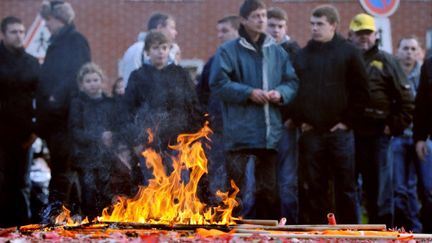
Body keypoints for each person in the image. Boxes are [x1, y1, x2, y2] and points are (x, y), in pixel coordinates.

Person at [209, 0, 299, 219]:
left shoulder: (277, 52)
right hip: (239, 133)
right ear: (244, 20)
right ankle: (230, 232)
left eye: (264, 15)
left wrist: (281, 94)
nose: (262, 20)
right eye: (256, 16)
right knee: (234, 192)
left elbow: (292, 82)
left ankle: (266, 235)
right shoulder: (228, 51)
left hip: (268, 134)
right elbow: (218, 84)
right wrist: (248, 93)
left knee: (269, 192)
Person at [292, 5, 369, 224]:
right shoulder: (303, 55)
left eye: (320, 24)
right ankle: (318, 232)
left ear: (333, 25)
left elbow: (362, 91)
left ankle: (350, 232)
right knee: (314, 186)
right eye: (312, 24)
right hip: (312, 133)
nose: (314, 28)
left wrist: (347, 122)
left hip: (340, 133)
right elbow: (294, 89)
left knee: (346, 186)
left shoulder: (349, 52)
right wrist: (300, 120)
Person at [348, 14, 414, 228]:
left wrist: (392, 126)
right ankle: (352, 232)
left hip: (379, 136)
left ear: (375, 34)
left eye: (367, 33)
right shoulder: (345, 60)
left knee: (381, 191)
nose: (363, 38)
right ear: (351, 36)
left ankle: (383, 231)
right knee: (350, 188)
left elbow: (407, 100)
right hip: (349, 134)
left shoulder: (387, 61)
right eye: (359, 34)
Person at [123, 30, 203, 182]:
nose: (160, 52)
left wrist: (192, 137)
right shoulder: (138, 76)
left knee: (180, 186)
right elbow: (128, 110)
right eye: (155, 48)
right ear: (147, 51)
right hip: (149, 144)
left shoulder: (180, 74)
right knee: (154, 188)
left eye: (164, 48)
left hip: (178, 141)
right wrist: (135, 141)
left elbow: (193, 106)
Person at [36, 0, 91, 215]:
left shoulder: (75, 42)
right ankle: (70, 213)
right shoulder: (56, 43)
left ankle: (56, 213)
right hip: (54, 119)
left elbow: (75, 76)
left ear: (59, 19)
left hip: (65, 119)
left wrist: (54, 100)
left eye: (48, 20)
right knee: (63, 169)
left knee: (63, 169)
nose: (46, 25)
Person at [196, 15, 240, 206]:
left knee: (240, 180)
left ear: (237, 32)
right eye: (218, 31)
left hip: (243, 131)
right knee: (217, 175)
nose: (219, 35)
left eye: (224, 31)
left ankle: (240, 219)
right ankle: (218, 216)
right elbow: (201, 94)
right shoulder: (213, 62)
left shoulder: (248, 60)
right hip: (218, 129)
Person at [0, 16, 39, 227]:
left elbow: (39, 99)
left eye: (22, 32)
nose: (19, 36)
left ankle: (23, 227)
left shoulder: (31, 63)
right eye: (14, 32)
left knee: (22, 183)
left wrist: (34, 131)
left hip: (24, 135)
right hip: (1, 133)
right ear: (3, 34)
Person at [266, 6, 300, 223]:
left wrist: (293, 117)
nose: (275, 30)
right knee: (264, 180)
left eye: (279, 26)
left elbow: (299, 87)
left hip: (286, 123)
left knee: (287, 180)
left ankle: (289, 224)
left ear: (286, 27)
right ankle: (266, 223)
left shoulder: (294, 51)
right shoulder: (257, 49)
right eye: (272, 26)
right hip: (261, 126)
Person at [394, 37, 432, 233]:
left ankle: (421, 229)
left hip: (422, 139)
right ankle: (408, 230)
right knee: (400, 188)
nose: (409, 52)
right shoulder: (393, 72)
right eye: (405, 48)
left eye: (413, 48)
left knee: (424, 188)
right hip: (399, 137)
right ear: (398, 50)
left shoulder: (424, 70)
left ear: (419, 51)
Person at [68, 63, 114, 218]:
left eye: (95, 80)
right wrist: (99, 137)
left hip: (107, 158)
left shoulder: (110, 103)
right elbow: (76, 131)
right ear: (82, 85)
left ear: (101, 81)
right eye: (88, 81)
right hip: (86, 158)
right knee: (89, 195)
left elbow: (117, 125)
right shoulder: (78, 104)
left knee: (107, 195)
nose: (93, 84)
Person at [121, 12, 179, 87]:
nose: (175, 32)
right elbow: (132, 86)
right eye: (172, 28)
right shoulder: (139, 50)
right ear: (159, 28)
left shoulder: (171, 52)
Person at [413, 56, 432, 233]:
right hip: (431, 140)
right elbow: (422, 103)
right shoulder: (429, 64)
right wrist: (419, 137)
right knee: (429, 194)